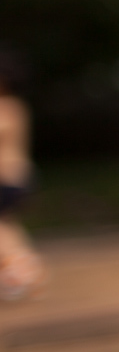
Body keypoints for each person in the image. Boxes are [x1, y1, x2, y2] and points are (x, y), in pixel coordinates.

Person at [0, 47, 45, 300]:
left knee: (2, 227)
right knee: (9, 225)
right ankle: (26, 269)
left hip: (6, 179)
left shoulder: (5, 107)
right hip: (21, 177)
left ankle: (23, 272)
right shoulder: (18, 106)